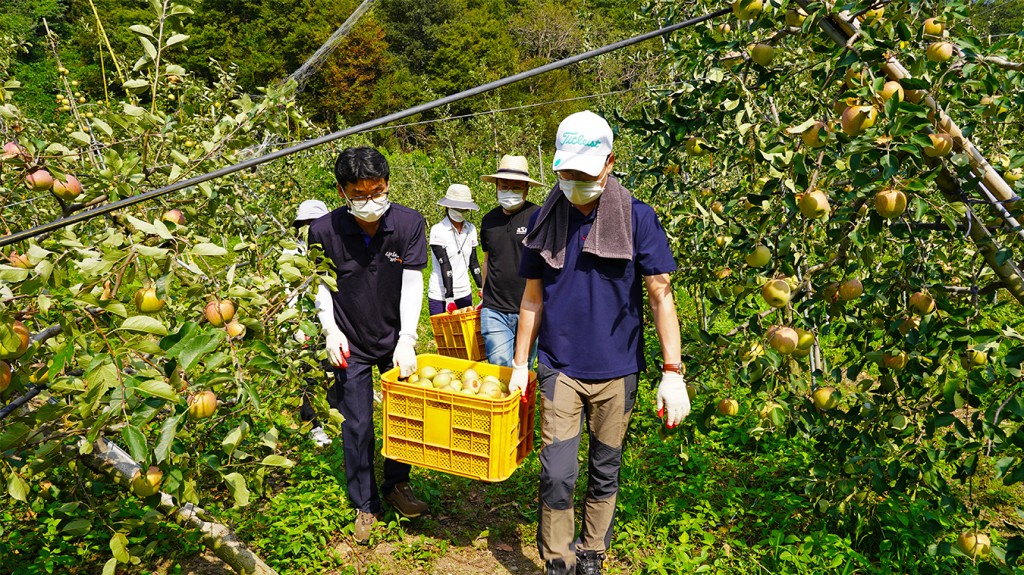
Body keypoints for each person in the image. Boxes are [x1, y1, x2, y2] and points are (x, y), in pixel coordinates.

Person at [507, 111, 691, 575]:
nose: (574, 182)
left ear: (610, 162)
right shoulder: (545, 220)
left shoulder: (636, 218)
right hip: (560, 366)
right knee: (557, 472)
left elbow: (660, 292)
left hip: (618, 369)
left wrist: (674, 373)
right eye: (566, 172)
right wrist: (519, 363)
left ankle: (591, 550)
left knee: (605, 467)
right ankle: (558, 558)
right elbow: (532, 300)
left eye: (584, 173)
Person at [307, 147, 429, 545]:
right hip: (351, 339)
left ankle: (398, 484)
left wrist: (408, 338)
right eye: (359, 194)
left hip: (394, 336)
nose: (370, 201)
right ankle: (366, 503)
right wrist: (330, 330)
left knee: (404, 415)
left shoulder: (409, 223)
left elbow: (412, 283)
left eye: (377, 191)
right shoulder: (323, 230)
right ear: (342, 191)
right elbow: (320, 284)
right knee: (356, 424)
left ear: (387, 184)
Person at [477, 155, 542, 367]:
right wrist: (484, 294)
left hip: (529, 310)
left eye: (516, 187)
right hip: (494, 309)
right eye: (504, 186)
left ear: (526, 189)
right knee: (499, 369)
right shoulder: (488, 220)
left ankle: (524, 402)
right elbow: (488, 260)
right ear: (496, 186)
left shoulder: (538, 217)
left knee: (523, 369)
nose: (509, 192)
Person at [283, 199, 333, 448]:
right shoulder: (293, 253)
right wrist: (295, 328)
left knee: (333, 371)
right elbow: (288, 292)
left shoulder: (332, 250)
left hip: (332, 320)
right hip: (305, 322)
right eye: (306, 223)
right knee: (307, 377)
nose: (310, 228)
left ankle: (335, 417)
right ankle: (313, 425)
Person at [427, 184, 482, 315]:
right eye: (457, 208)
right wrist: (449, 298)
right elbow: (444, 263)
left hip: (464, 292)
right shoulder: (438, 230)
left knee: (465, 334)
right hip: (440, 295)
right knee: (444, 334)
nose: (461, 211)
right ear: (447, 207)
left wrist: (482, 287)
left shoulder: (471, 229)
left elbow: (473, 262)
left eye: (464, 209)